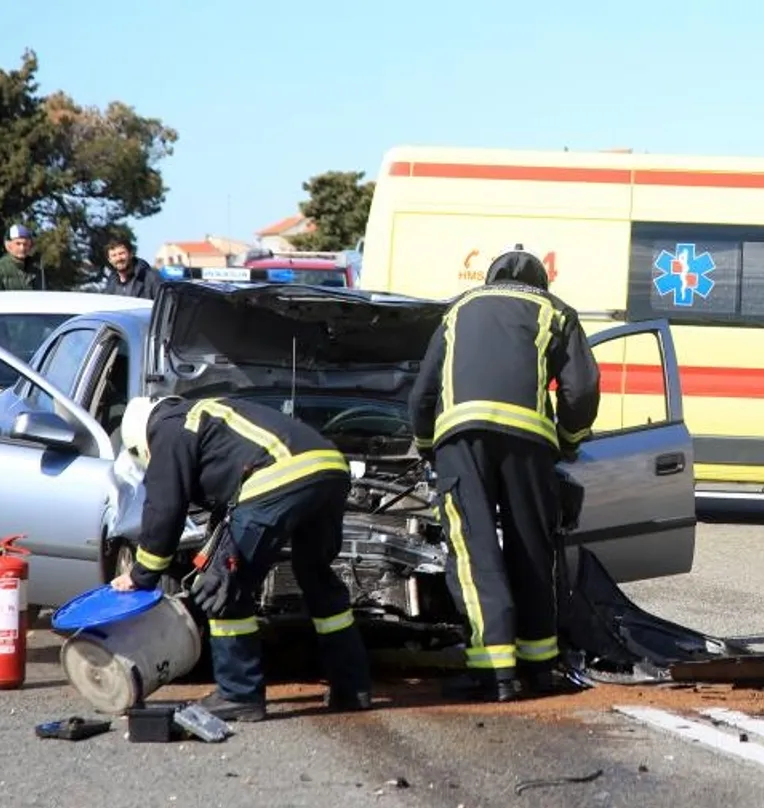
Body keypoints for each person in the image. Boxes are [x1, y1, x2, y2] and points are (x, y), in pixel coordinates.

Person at [409, 245, 601, 702]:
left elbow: (422, 394)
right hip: (530, 443)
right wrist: (569, 440)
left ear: (491, 278)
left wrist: (427, 446)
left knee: (475, 550)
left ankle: (495, 673)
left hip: (462, 439)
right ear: (540, 283)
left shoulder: (459, 310)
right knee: (532, 547)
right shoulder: (556, 311)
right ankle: (539, 667)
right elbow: (581, 389)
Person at [111, 395, 372, 722]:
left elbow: (164, 509)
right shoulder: (205, 414)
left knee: (221, 585)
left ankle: (238, 693)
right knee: (317, 578)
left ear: (140, 447)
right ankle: (352, 687)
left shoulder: (166, 430)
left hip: (278, 475)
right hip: (330, 468)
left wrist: (142, 574)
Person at [0, 224, 46, 291]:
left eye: (25, 244)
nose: (22, 248)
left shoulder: (38, 268)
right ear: (8, 245)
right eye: (18, 244)